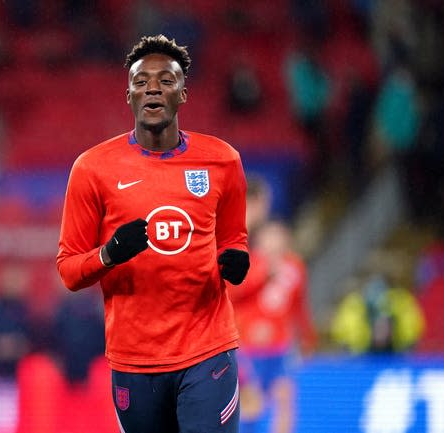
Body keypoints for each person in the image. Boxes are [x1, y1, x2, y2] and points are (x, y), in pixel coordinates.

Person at [56, 34, 250, 433]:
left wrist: (236, 260)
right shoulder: (93, 169)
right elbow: (69, 270)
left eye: (165, 80)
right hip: (134, 360)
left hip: (206, 350)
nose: (152, 89)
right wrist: (109, 253)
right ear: (128, 95)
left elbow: (234, 240)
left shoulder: (223, 161)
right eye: (141, 82)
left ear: (183, 93)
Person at [231, 221, 317, 433]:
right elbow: (233, 295)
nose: (274, 241)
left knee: (285, 397)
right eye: (270, 236)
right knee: (252, 404)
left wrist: (308, 337)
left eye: (279, 236)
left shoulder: (295, 267)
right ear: (259, 241)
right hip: (249, 347)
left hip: (280, 347)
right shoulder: (247, 263)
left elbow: (299, 305)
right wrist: (264, 274)